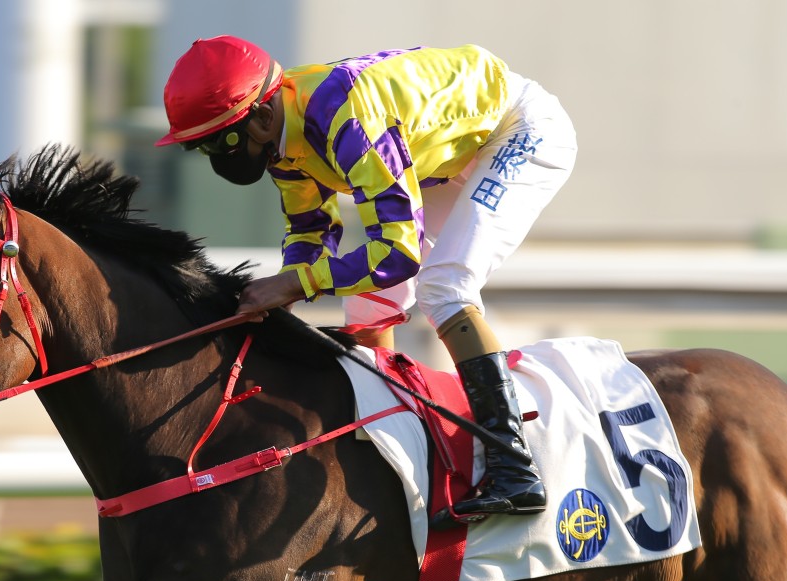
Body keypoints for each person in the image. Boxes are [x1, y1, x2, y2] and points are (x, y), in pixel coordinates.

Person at [156, 35, 578, 524]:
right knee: (366, 307)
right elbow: (310, 229)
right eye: (200, 147)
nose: (215, 157)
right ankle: (392, 452)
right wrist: (281, 290)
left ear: (263, 115)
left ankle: (514, 467)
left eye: (220, 141)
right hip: (445, 155)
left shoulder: (344, 119)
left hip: (518, 129)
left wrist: (294, 286)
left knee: (443, 286)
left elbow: (396, 256)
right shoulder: (282, 132)